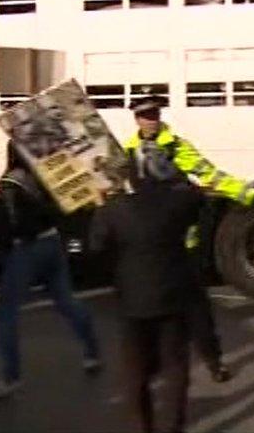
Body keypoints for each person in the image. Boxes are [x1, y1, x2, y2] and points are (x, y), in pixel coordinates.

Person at [124, 92, 254, 383]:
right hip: (149, 240)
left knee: (196, 308)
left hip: (181, 240)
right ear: (136, 118)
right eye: (146, 115)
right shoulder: (126, 152)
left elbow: (207, 174)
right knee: (148, 307)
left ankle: (214, 361)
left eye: (156, 114)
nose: (152, 120)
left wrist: (243, 192)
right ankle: (153, 367)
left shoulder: (175, 147)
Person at [90, 175, 205, 433]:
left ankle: (143, 427)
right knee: (175, 366)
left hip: (133, 300)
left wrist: (100, 207)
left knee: (136, 371)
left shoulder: (115, 209)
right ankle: (174, 426)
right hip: (172, 296)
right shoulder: (177, 204)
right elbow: (199, 199)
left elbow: (97, 247)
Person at [0, 141, 101, 400]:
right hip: (52, 241)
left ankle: (11, 377)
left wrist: (4, 241)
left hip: (27, 249)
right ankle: (92, 353)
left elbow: (14, 220)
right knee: (66, 301)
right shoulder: (48, 173)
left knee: (7, 313)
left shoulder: (10, 182)